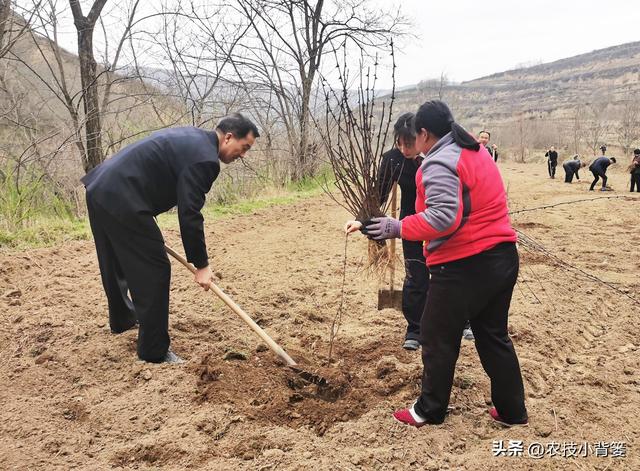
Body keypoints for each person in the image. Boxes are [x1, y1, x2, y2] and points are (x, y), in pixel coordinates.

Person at [357, 100, 528, 427]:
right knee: (493, 335)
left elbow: (444, 218)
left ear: (424, 133)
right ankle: (512, 410)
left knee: (436, 336)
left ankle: (428, 410)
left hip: (465, 265)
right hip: (502, 257)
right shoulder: (474, 151)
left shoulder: (438, 162)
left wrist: (399, 227)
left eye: (414, 136)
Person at [82, 113, 259, 363]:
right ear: (229, 137)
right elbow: (190, 214)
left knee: (113, 257)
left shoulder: (193, 137)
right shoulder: (206, 160)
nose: (243, 155)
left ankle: (122, 320)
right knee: (155, 267)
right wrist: (202, 265)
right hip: (125, 197)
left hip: (100, 186)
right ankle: (153, 351)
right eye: (244, 148)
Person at [375, 113, 430, 351]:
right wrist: (369, 224)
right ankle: (415, 329)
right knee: (416, 275)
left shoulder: (435, 155)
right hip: (410, 224)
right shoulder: (392, 159)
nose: (405, 148)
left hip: (441, 224)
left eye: (409, 143)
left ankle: (462, 321)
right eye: (400, 143)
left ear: (421, 137)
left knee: (445, 275)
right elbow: (379, 194)